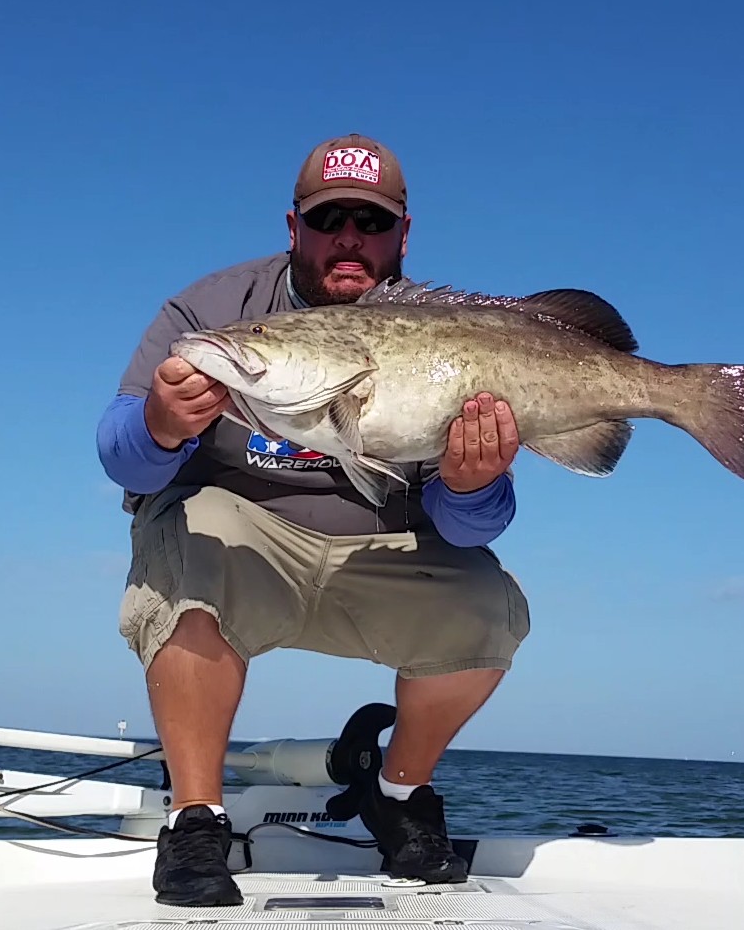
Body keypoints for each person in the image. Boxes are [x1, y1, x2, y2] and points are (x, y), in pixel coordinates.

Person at [96, 133, 531, 907]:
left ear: (403, 233)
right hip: (245, 543)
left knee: (485, 607)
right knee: (189, 545)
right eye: (330, 219)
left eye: (371, 222)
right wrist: (162, 423)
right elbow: (125, 462)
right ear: (294, 227)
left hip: (383, 548)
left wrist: (470, 487)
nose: (349, 240)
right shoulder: (212, 311)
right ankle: (195, 820)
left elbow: (469, 533)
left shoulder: (450, 333)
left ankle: (397, 798)